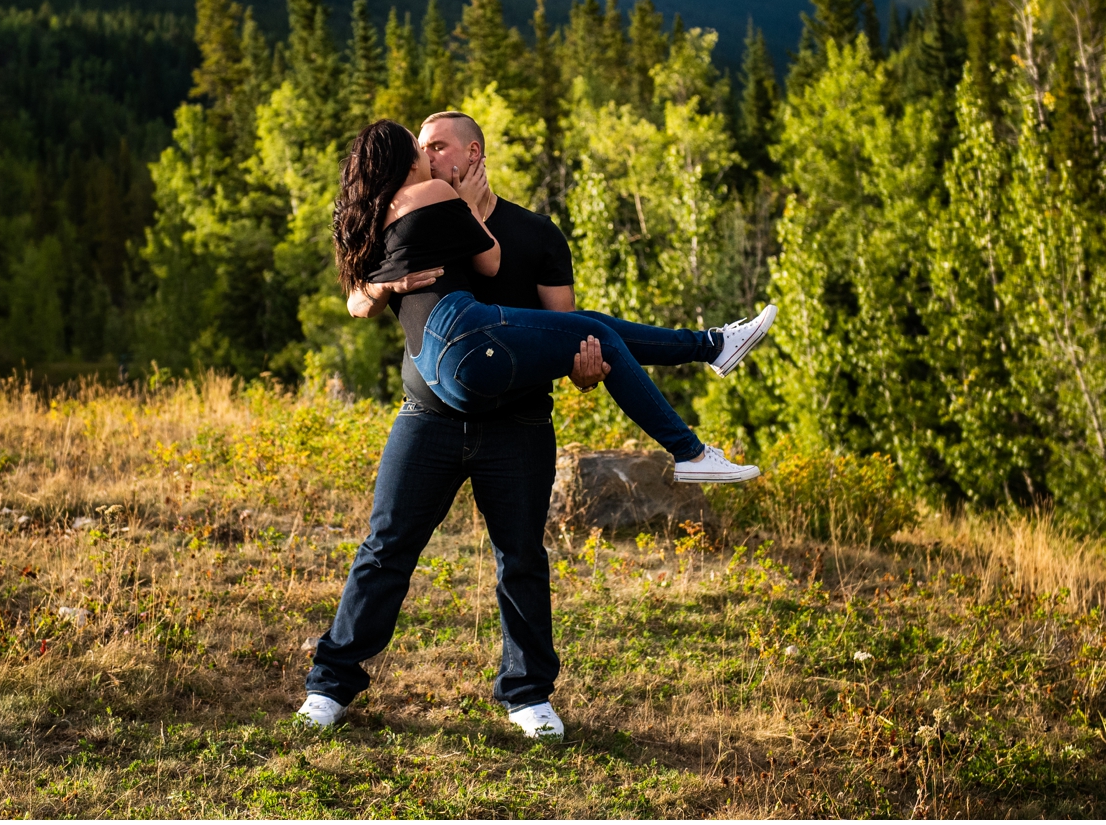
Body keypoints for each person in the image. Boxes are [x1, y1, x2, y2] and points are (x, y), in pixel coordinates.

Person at [297, 115, 774, 738]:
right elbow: (359, 295)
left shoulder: (536, 233)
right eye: (419, 146)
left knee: (521, 556)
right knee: (385, 551)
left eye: (437, 144)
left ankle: (527, 696)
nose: (425, 153)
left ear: (473, 153)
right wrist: (394, 279)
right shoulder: (415, 210)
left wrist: (584, 372)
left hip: (516, 423)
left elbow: (570, 333)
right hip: (428, 419)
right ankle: (330, 688)